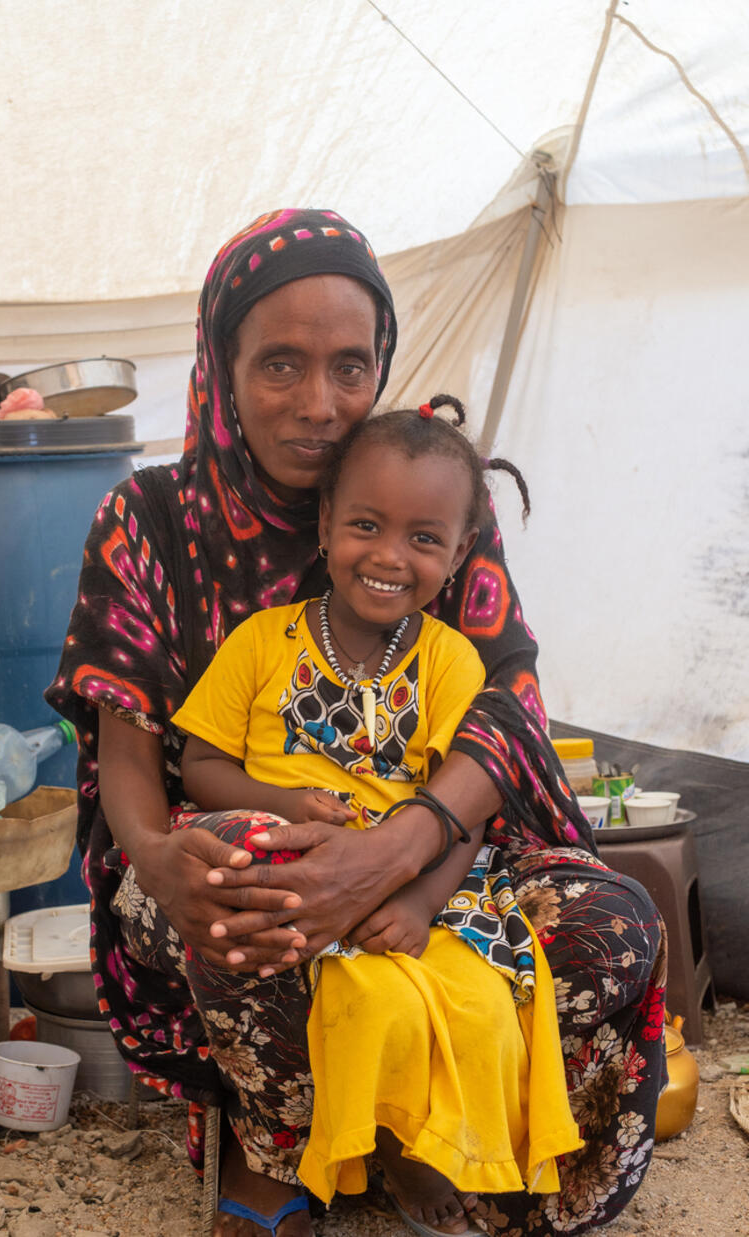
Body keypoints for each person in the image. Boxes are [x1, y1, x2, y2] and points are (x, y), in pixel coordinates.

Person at [46, 208, 667, 1237]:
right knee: (245, 878)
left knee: (615, 926)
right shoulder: (147, 520)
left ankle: (429, 1119)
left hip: (441, 857)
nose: (318, 404)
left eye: (350, 366)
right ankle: (279, 1143)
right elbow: (132, 742)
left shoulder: (432, 490)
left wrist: (397, 856)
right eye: (279, 365)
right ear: (221, 364)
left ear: (382, 361)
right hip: (237, 851)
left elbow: (506, 707)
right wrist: (155, 858)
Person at [172, 405, 584, 1228]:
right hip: (290, 869)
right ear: (326, 523)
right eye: (366, 525)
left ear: (459, 554)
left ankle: (428, 1145)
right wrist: (284, 804)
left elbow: (466, 815)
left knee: (479, 1001)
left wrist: (421, 902)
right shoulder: (262, 642)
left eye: (424, 538)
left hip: (409, 883)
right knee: (363, 993)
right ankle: (361, 1148)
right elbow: (200, 765)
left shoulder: (449, 660)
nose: (390, 556)